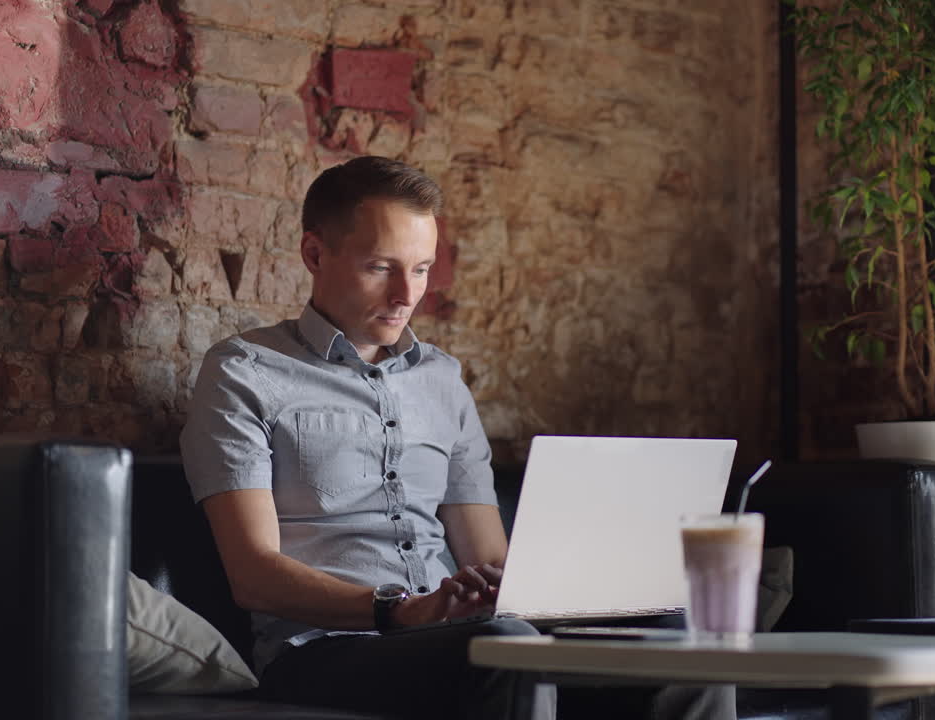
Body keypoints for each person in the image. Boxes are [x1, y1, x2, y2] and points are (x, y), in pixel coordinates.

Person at [181, 155, 734, 720]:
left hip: (465, 633)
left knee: (680, 641)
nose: (406, 295)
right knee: (507, 651)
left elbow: (488, 555)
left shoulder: (442, 381)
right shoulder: (244, 372)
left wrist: (535, 584)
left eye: (421, 269)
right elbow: (252, 574)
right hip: (324, 649)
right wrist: (399, 611)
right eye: (381, 267)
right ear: (315, 254)